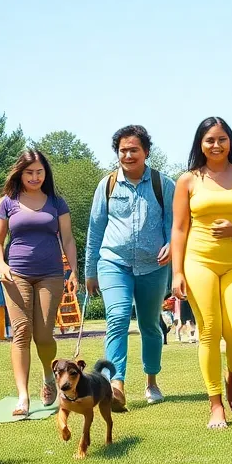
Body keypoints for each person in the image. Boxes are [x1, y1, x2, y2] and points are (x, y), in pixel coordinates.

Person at [170, 117, 232, 429]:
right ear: (200, 144)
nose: (216, 145)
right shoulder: (187, 180)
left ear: (231, 142)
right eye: (209, 140)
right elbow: (178, 228)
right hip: (198, 260)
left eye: (222, 139)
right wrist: (177, 272)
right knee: (210, 330)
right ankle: (215, 404)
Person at [86, 125, 177, 410]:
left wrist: (173, 246)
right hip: (114, 263)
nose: (128, 155)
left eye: (133, 149)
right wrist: (90, 270)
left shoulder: (165, 185)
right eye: (123, 150)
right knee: (118, 318)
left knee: (150, 325)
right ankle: (116, 385)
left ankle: (151, 382)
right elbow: (95, 229)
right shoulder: (107, 185)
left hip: (154, 266)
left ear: (146, 152)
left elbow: (175, 226)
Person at [0, 148, 78, 416]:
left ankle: (49, 377)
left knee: (43, 335)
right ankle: (23, 397)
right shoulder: (8, 202)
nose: (35, 177)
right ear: (20, 172)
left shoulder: (56, 202)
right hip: (16, 273)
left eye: (40, 172)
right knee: (21, 332)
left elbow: (68, 238)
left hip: (51, 274)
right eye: (29, 172)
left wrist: (73, 270)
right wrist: (1, 264)